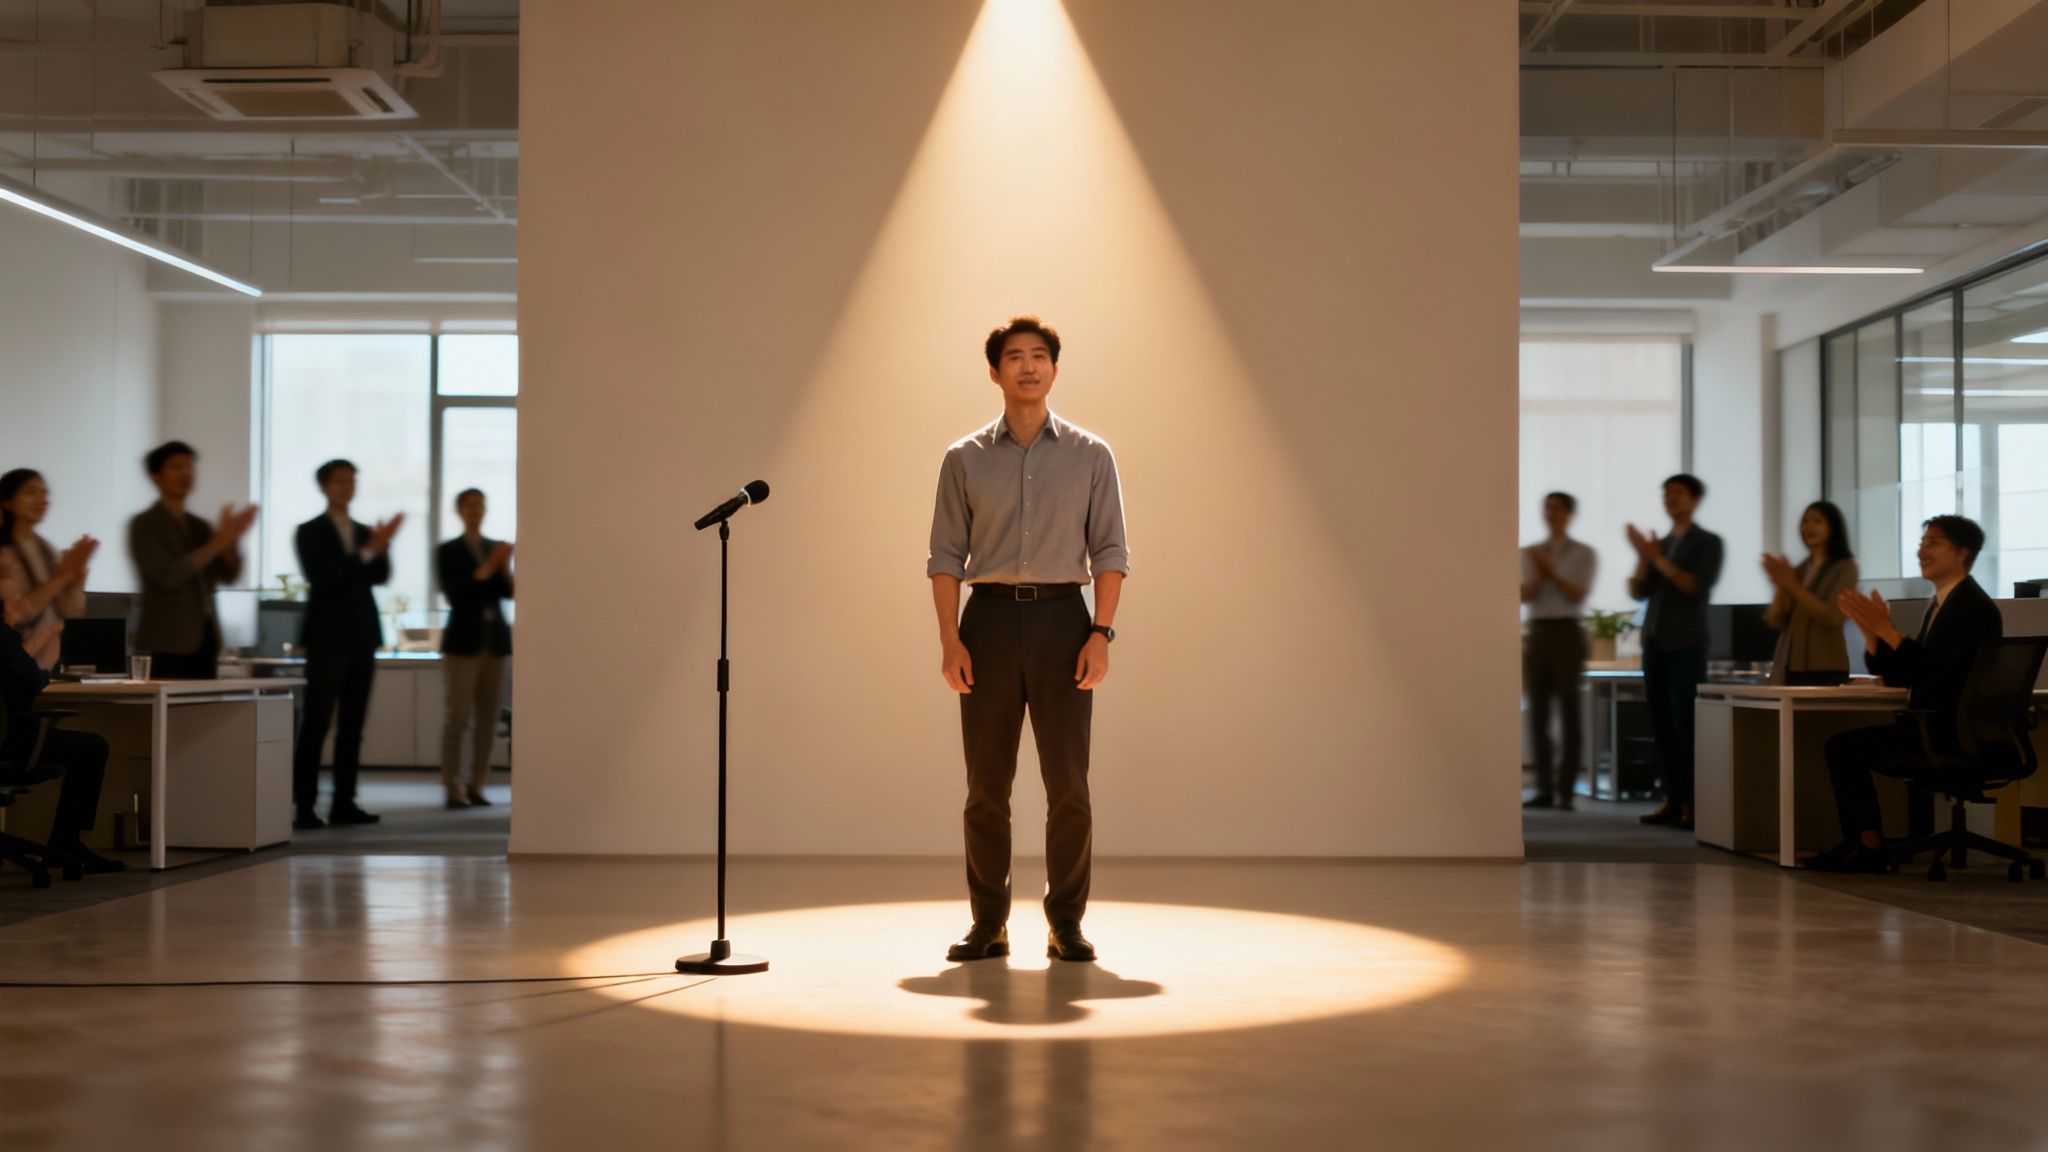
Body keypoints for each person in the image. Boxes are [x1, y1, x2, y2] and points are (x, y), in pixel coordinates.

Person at [928, 315, 1128, 965]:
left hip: (1062, 620)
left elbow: (1111, 552)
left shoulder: (1092, 455)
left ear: (1055, 369)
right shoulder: (963, 459)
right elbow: (944, 558)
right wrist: (949, 641)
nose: (1028, 366)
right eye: (1014, 357)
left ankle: (1065, 923)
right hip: (984, 622)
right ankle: (988, 923)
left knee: (1069, 785)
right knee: (986, 786)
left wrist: (1100, 633)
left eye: (1040, 356)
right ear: (995, 372)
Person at [1812, 515, 2002, 874]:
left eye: (1933, 543)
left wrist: (1888, 629)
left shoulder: (1973, 607)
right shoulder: (1943, 603)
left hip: (1948, 731)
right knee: (1845, 746)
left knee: (1843, 747)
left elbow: (1938, 672)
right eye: (1922, 542)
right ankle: (1862, 843)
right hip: (1939, 726)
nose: (1921, 550)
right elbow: (1906, 671)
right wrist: (1873, 634)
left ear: (1962, 553)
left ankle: (1868, 846)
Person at [292, 459, 403, 830]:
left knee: (353, 726)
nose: (346, 486)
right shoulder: (309, 531)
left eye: (351, 480)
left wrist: (382, 547)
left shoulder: (363, 530)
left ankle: (344, 802)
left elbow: (380, 576)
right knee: (316, 724)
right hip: (327, 638)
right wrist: (368, 551)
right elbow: (323, 577)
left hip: (362, 635)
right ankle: (304, 806)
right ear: (323, 486)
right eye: (339, 481)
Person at [1626, 473, 1723, 831]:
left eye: (1679, 493)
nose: (1671, 499)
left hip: (1686, 645)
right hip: (1654, 643)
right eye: (1666, 493)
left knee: (1686, 725)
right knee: (1662, 725)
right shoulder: (1661, 544)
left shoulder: (1708, 542)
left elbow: (1694, 586)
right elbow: (1638, 591)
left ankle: (1695, 805)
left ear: (1695, 500)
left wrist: (1658, 559)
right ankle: (1673, 799)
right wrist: (1643, 557)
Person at [128, 441, 258, 680]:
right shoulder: (144, 524)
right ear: (157, 476)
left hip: (206, 637)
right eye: (176, 467)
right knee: (165, 715)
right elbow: (166, 577)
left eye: (189, 467)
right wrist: (217, 543)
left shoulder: (199, 526)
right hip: (165, 641)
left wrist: (231, 543)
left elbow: (227, 575)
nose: (186, 473)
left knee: (202, 714)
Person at [0, 617, 121, 871]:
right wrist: (48, 661)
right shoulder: (3, 636)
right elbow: (30, 681)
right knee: (92, 748)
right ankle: (65, 844)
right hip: (9, 744)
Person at [436, 488, 513, 809]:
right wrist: (488, 567)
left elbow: (509, 592)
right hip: (463, 643)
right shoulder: (448, 551)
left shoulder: (493, 548)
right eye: (469, 505)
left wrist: (504, 566)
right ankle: (452, 785)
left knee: (488, 718)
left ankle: (477, 783)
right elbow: (456, 594)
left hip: (494, 642)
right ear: (459, 510)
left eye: (480, 504)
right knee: (458, 718)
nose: (475, 510)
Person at [1521, 491, 1597, 810]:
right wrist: (1540, 574)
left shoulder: (1583, 553)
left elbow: (1577, 594)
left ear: (1569, 514)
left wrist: (1551, 573)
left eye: (1558, 509)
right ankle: (1543, 788)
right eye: (1547, 508)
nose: (1551, 514)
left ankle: (1566, 791)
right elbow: (1523, 595)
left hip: (1567, 631)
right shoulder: (1530, 553)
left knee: (1569, 713)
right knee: (1537, 714)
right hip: (1537, 632)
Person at [0, 470, 95, 673]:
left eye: (45, 493)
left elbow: (71, 612)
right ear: (7, 501)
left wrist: (75, 586)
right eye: (30, 492)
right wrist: (60, 580)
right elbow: (15, 614)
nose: (41, 500)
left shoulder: (48, 551)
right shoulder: (4, 552)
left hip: (45, 665)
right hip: (9, 667)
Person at [1760, 501, 1858, 686]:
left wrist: (1792, 585)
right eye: (1805, 521)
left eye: (1817, 521)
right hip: (1789, 666)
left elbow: (1833, 617)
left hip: (1826, 668)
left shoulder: (1846, 568)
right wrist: (1781, 586)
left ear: (1833, 527)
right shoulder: (1798, 571)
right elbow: (1776, 621)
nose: (1808, 527)